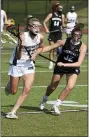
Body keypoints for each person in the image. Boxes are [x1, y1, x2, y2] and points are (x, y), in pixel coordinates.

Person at [40, 24, 87, 115]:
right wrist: (38, 51)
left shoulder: (83, 47)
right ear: (71, 35)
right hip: (60, 66)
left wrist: (64, 65)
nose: (77, 37)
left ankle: (56, 105)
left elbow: (79, 63)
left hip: (72, 67)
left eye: (79, 36)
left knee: (70, 87)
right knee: (53, 86)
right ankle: (44, 98)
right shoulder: (65, 41)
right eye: (75, 35)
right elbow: (50, 47)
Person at [5, 17, 45, 119]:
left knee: (27, 89)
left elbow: (41, 47)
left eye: (38, 26)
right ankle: (10, 84)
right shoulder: (23, 36)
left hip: (29, 64)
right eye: (34, 26)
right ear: (29, 27)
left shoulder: (40, 37)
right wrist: (21, 46)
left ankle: (12, 112)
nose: (37, 28)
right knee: (13, 92)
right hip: (17, 63)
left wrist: (35, 53)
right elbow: (18, 56)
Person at [43, 1, 65, 69]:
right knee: (52, 49)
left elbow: (63, 25)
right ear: (55, 7)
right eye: (57, 6)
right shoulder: (51, 14)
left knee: (59, 48)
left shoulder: (62, 15)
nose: (59, 7)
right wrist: (46, 29)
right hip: (52, 33)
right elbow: (44, 22)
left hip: (58, 33)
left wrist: (68, 25)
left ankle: (59, 62)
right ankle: (51, 63)